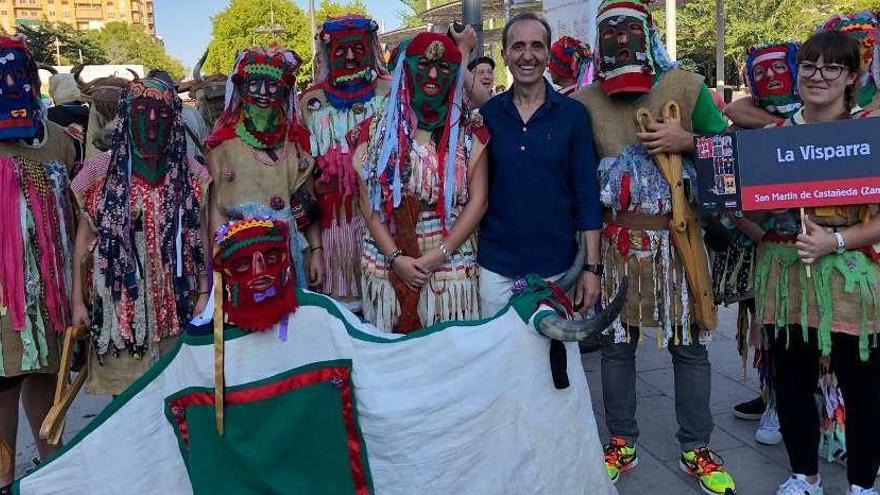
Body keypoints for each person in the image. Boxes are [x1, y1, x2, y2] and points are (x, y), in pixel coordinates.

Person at [572, 1, 736, 493]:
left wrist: (688, 141)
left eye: (630, 31)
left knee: (690, 346)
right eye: (610, 33)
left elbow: (729, 156)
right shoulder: (583, 102)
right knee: (617, 348)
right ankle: (621, 440)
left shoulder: (686, 86)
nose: (621, 41)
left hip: (680, 241)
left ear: (649, 35)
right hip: (619, 244)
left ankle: (697, 446)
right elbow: (579, 186)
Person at [753, 30, 880, 495]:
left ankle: (863, 482)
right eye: (808, 65)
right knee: (790, 381)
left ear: (851, 76)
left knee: (863, 382)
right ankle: (804, 475)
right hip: (785, 273)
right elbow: (749, 210)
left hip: (849, 274)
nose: (817, 76)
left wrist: (837, 240)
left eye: (831, 68)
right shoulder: (773, 136)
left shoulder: (869, 132)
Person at [70, 75, 210, 396]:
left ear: (174, 119)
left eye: (161, 113)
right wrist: (78, 300)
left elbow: (200, 237)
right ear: (126, 116)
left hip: (178, 300)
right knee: (126, 396)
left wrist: (204, 293)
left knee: (177, 389)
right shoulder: (98, 172)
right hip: (120, 305)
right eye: (142, 111)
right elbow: (83, 240)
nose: (151, 121)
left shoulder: (192, 172)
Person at [358, 32, 489, 333]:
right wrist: (395, 258)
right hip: (386, 253)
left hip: (450, 256)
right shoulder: (376, 129)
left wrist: (438, 255)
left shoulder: (471, 132)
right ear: (407, 68)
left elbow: (479, 201)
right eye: (424, 65)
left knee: (448, 354)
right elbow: (367, 201)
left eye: (443, 68)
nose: (432, 75)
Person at [478, 12, 603, 319]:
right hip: (496, 269)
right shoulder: (488, 115)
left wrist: (592, 268)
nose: (527, 55)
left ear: (548, 53)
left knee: (553, 364)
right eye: (518, 46)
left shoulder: (573, 115)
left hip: (557, 269)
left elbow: (587, 195)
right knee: (498, 364)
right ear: (505, 55)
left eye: (537, 46)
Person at [0, 34, 78, 491]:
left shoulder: (61, 145)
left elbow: (76, 211)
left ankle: (55, 471)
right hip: (3, 296)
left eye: (17, 77)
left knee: (47, 375)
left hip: (49, 289)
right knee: (3, 385)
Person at [723, 42, 801, 446]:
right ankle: (774, 399)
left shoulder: (824, 112)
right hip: (765, 242)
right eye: (763, 71)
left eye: (780, 70)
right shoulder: (755, 114)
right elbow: (732, 111)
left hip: (820, 246)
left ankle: (823, 409)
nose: (772, 78)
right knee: (767, 325)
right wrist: (782, 130)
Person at [206, 46, 321, 290]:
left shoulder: (296, 144)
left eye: (272, 86)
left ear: (283, 92)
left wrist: (318, 251)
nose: (262, 93)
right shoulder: (222, 145)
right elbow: (217, 211)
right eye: (254, 84)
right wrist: (220, 261)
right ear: (241, 88)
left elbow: (308, 205)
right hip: (240, 258)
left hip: (290, 255)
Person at [300, 15, 391, 311]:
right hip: (333, 227)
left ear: (370, 49)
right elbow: (305, 177)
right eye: (341, 51)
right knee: (341, 316)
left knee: (386, 307)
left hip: (384, 225)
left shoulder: (389, 93)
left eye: (357, 49)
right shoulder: (309, 102)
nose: (350, 57)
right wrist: (314, 246)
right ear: (328, 53)